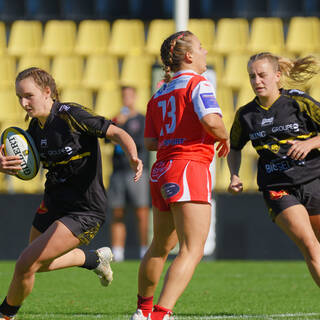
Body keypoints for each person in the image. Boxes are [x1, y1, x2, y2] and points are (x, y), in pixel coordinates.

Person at [0, 67, 143, 320]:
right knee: (35, 264)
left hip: (84, 210)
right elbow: (29, 169)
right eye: (19, 97)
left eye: (28, 96)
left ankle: (5, 315)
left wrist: (133, 155)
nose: (23, 103)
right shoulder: (34, 128)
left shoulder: (72, 115)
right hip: (53, 202)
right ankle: (92, 259)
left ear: (47, 92)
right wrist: (7, 166)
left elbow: (117, 132)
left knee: (25, 264)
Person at [130, 31, 230, 320]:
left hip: (161, 170)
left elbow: (150, 142)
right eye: (200, 47)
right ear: (188, 56)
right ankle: (162, 314)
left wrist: (174, 137)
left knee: (160, 246)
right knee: (193, 248)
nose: (205, 52)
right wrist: (225, 137)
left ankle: (143, 310)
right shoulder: (199, 83)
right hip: (188, 167)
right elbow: (211, 120)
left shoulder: (159, 92)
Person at [228, 52, 320, 289]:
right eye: (252, 76)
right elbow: (234, 148)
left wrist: (309, 143)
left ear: (278, 76)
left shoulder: (299, 102)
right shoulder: (246, 115)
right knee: (309, 244)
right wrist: (234, 174)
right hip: (277, 187)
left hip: (314, 181)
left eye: (262, 75)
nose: (257, 81)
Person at [107, 86, 150, 262]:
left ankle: (144, 249)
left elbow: (142, 142)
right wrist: (119, 124)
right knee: (117, 211)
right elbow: (105, 138)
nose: (126, 99)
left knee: (141, 211)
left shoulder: (142, 119)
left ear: (135, 97)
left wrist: (124, 132)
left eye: (129, 96)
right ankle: (117, 252)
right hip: (118, 171)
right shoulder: (117, 119)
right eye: (124, 96)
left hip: (137, 172)